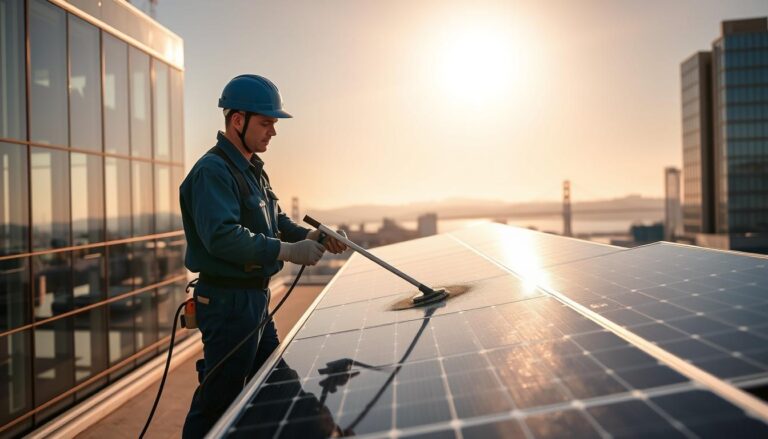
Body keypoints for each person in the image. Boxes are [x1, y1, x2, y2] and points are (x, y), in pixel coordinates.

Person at [180, 74, 346, 438]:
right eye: (266, 123)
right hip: (227, 304)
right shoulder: (213, 172)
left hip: (252, 302)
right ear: (237, 120)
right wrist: (288, 251)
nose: (273, 131)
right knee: (218, 404)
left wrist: (313, 236)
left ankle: (322, 431)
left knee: (276, 386)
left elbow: (276, 220)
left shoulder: (253, 169)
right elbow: (222, 238)